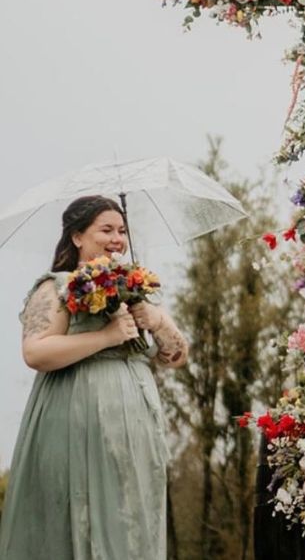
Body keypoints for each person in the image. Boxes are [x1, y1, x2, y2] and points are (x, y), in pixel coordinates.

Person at [0, 195, 190, 560]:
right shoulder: (56, 287)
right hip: (76, 417)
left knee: (133, 516)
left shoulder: (137, 290)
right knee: (79, 510)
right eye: (105, 229)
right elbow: (35, 351)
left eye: (121, 230)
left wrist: (158, 320)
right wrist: (105, 337)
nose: (117, 238)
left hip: (135, 424)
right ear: (76, 237)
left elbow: (176, 356)